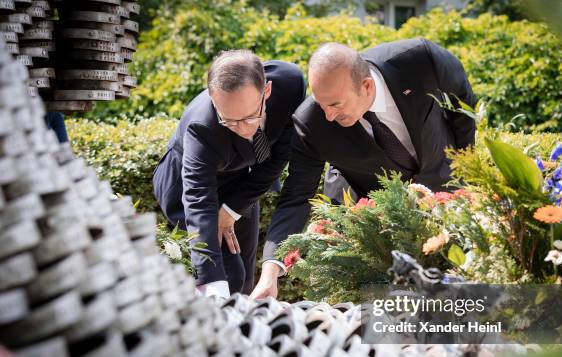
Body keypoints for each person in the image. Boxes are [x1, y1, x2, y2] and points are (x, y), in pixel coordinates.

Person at [251, 38, 476, 299]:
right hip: (371, 213)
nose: (328, 116)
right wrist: (269, 273)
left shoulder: (420, 59)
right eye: (321, 104)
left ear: (367, 86)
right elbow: (295, 198)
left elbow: (463, 104)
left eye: (335, 104)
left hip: (441, 185)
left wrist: (465, 167)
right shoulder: (311, 123)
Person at [153, 50, 305, 298]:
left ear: (266, 92)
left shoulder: (290, 85)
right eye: (230, 122)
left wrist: (231, 209)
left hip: (241, 178)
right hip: (188, 184)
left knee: (243, 272)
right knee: (226, 275)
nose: (243, 130)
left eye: (249, 117)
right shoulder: (201, 127)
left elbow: (278, 155)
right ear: (213, 99)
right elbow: (198, 200)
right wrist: (211, 284)